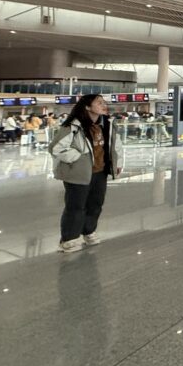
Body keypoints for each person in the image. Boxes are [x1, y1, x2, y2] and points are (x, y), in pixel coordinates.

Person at [49, 94, 123, 253]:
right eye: (99, 103)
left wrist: (117, 163)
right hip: (79, 173)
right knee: (76, 206)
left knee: (95, 204)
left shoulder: (108, 124)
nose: (104, 105)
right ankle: (69, 239)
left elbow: (116, 146)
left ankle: (88, 231)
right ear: (88, 107)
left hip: (100, 172)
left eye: (104, 102)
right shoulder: (73, 126)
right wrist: (78, 157)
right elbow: (55, 148)